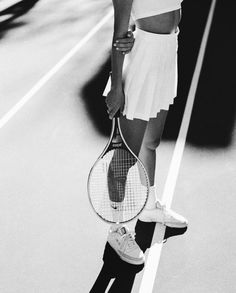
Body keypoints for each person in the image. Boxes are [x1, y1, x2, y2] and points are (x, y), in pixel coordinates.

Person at [103, 0, 188, 265]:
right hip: (144, 60)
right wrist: (117, 86)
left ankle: (149, 207)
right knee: (125, 158)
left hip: (167, 53)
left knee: (151, 142)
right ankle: (116, 228)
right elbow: (119, 32)